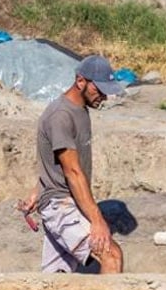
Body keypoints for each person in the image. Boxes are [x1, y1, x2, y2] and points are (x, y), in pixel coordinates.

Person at [18, 55, 126, 273]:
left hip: (63, 201)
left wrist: (37, 191)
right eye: (99, 90)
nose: (104, 96)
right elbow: (73, 172)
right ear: (80, 81)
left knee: (56, 282)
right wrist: (97, 220)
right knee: (111, 254)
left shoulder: (80, 110)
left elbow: (54, 162)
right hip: (61, 205)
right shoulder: (61, 116)